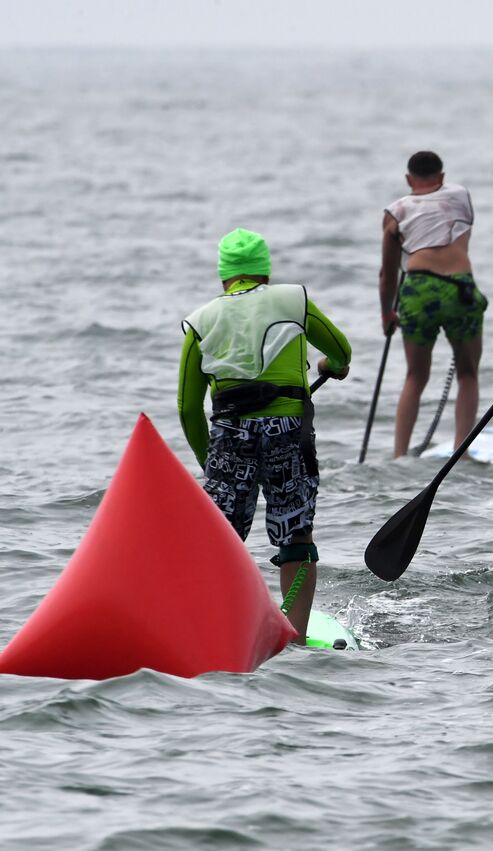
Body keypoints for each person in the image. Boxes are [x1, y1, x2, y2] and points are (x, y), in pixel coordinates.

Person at [179, 228, 352, 643]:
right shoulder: (294, 301)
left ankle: (219, 631)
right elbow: (342, 352)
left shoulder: (201, 322)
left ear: (225, 277)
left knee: (220, 537)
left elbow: (187, 409)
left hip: (229, 436)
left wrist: (211, 461)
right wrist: (330, 367)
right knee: (295, 533)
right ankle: (295, 636)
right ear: (265, 273)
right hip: (289, 434)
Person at [381, 151, 486, 458]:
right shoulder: (460, 195)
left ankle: (399, 454)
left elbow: (388, 274)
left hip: (417, 290)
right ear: (442, 178)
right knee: (468, 373)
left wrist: (387, 312)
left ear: (407, 180)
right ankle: (461, 451)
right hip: (459, 289)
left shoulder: (395, 211)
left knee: (415, 376)